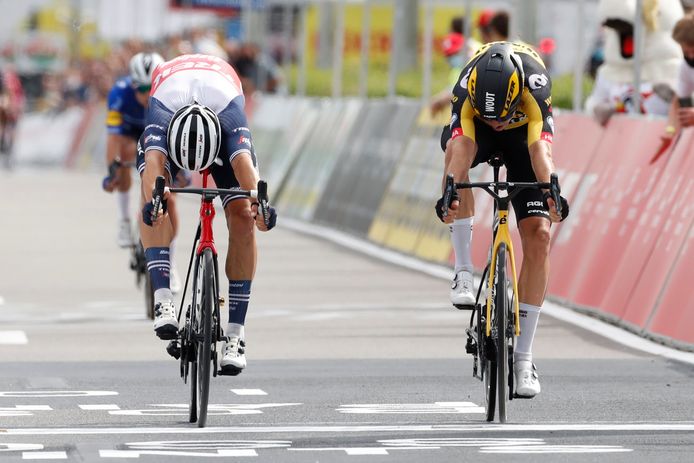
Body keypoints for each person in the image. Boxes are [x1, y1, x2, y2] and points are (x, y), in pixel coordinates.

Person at [435, 42, 569, 398]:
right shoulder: (465, 85)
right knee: (454, 162)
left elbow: (541, 150)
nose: (496, 121)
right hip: (474, 135)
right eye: (490, 114)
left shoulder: (535, 84)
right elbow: (462, 150)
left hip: (523, 138)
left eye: (500, 115)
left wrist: (552, 192)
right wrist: (451, 189)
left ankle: (524, 359)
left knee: (540, 236)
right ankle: (463, 270)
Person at [140, 53, 277, 376]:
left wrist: (262, 210)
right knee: (153, 203)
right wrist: (153, 203)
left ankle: (236, 336)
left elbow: (249, 176)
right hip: (174, 113)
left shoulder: (232, 122)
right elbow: (154, 171)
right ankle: (163, 297)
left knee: (243, 216)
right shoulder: (159, 115)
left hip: (218, 115)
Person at [103, 52, 165, 247]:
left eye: (152, 88)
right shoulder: (119, 93)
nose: (147, 94)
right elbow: (113, 138)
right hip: (130, 132)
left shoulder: (169, 94)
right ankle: (124, 220)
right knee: (126, 153)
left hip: (157, 132)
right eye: (142, 88)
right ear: (133, 84)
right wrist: (112, 170)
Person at [664, 14, 694, 140]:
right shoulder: (685, 66)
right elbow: (678, 99)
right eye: (686, 52)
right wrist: (670, 131)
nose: (691, 57)